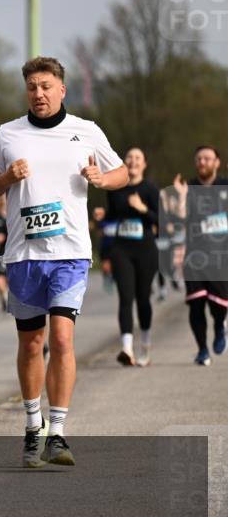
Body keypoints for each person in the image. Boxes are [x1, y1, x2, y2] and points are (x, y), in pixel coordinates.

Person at [0, 56, 127, 468]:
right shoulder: (7, 134)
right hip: (24, 255)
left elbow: (120, 174)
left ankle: (58, 433)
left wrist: (102, 179)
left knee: (61, 339)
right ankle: (33, 426)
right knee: (31, 343)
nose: (38, 94)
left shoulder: (86, 131)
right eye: (32, 87)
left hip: (71, 252)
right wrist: (7, 179)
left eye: (46, 86)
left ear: (61, 90)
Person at [92, 148, 160, 367]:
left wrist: (142, 208)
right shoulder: (116, 188)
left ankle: (146, 345)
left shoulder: (150, 189)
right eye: (129, 158)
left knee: (142, 299)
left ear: (145, 164)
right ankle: (127, 348)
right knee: (125, 297)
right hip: (121, 249)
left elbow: (160, 220)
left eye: (138, 158)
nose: (133, 161)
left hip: (146, 249)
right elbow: (113, 216)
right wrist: (102, 218)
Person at [173, 145, 227, 366]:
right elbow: (180, 219)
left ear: (217, 162)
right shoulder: (189, 187)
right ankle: (202, 349)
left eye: (207, 158)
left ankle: (219, 327)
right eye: (199, 159)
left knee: (219, 305)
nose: (202, 162)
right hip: (194, 255)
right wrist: (182, 197)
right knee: (196, 304)